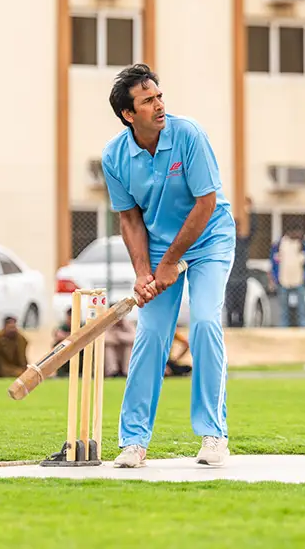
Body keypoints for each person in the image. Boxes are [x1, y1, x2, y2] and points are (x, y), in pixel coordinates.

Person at [101, 64, 236, 469]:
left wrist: (171, 262)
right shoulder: (114, 156)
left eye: (159, 96)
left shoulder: (188, 134)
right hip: (160, 245)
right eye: (148, 101)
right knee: (151, 335)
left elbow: (206, 203)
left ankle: (214, 434)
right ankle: (134, 441)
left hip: (209, 238)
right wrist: (144, 272)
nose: (159, 105)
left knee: (205, 323)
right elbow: (129, 219)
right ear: (129, 114)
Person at [269, 226, 305, 328]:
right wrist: (276, 277)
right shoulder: (279, 245)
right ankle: (283, 328)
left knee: (302, 308)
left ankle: (303, 327)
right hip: (283, 280)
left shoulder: (302, 246)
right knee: (283, 309)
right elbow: (273, 262)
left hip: (299, 280)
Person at [225, 197, 256, 327]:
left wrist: (251, 211)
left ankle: (240, 326)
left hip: (241, 278)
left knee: (241, 307)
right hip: (230, 279)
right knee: (229, 307)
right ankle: (230, 327)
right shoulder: (225, 244)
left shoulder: (243, 242)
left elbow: (254, 230)